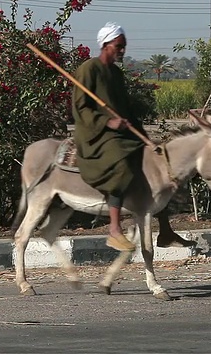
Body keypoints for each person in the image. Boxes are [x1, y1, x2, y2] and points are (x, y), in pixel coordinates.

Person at [71, 22, 145, 252]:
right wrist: (108, 122)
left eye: (124, 46)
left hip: (119, 132)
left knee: (152, 158)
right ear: (106, 45)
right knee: (121, 161)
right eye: (118, 46)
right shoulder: (88, 69)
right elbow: (80, 107)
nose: (122, 50)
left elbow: (125, 108)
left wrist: (139, 131)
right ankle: (114, 229)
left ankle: (164, 227)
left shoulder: (116, 73)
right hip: (96, 133)